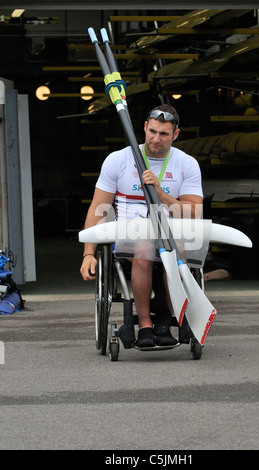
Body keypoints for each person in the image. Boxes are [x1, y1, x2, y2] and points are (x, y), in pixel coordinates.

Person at [80, 104, 203, 348]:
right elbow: (97, 209)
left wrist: (160, 193)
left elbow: (194, 213)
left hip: (172, 237)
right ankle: (145, 324)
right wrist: (88, 253)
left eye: (164, 134)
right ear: (145, 128)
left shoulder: (186, 164)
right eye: (153, 131)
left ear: (175, 135)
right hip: (130, 239)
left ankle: (169, 319)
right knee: (145, 247)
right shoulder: (118, 160)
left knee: (173, 246)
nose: (156, 139)